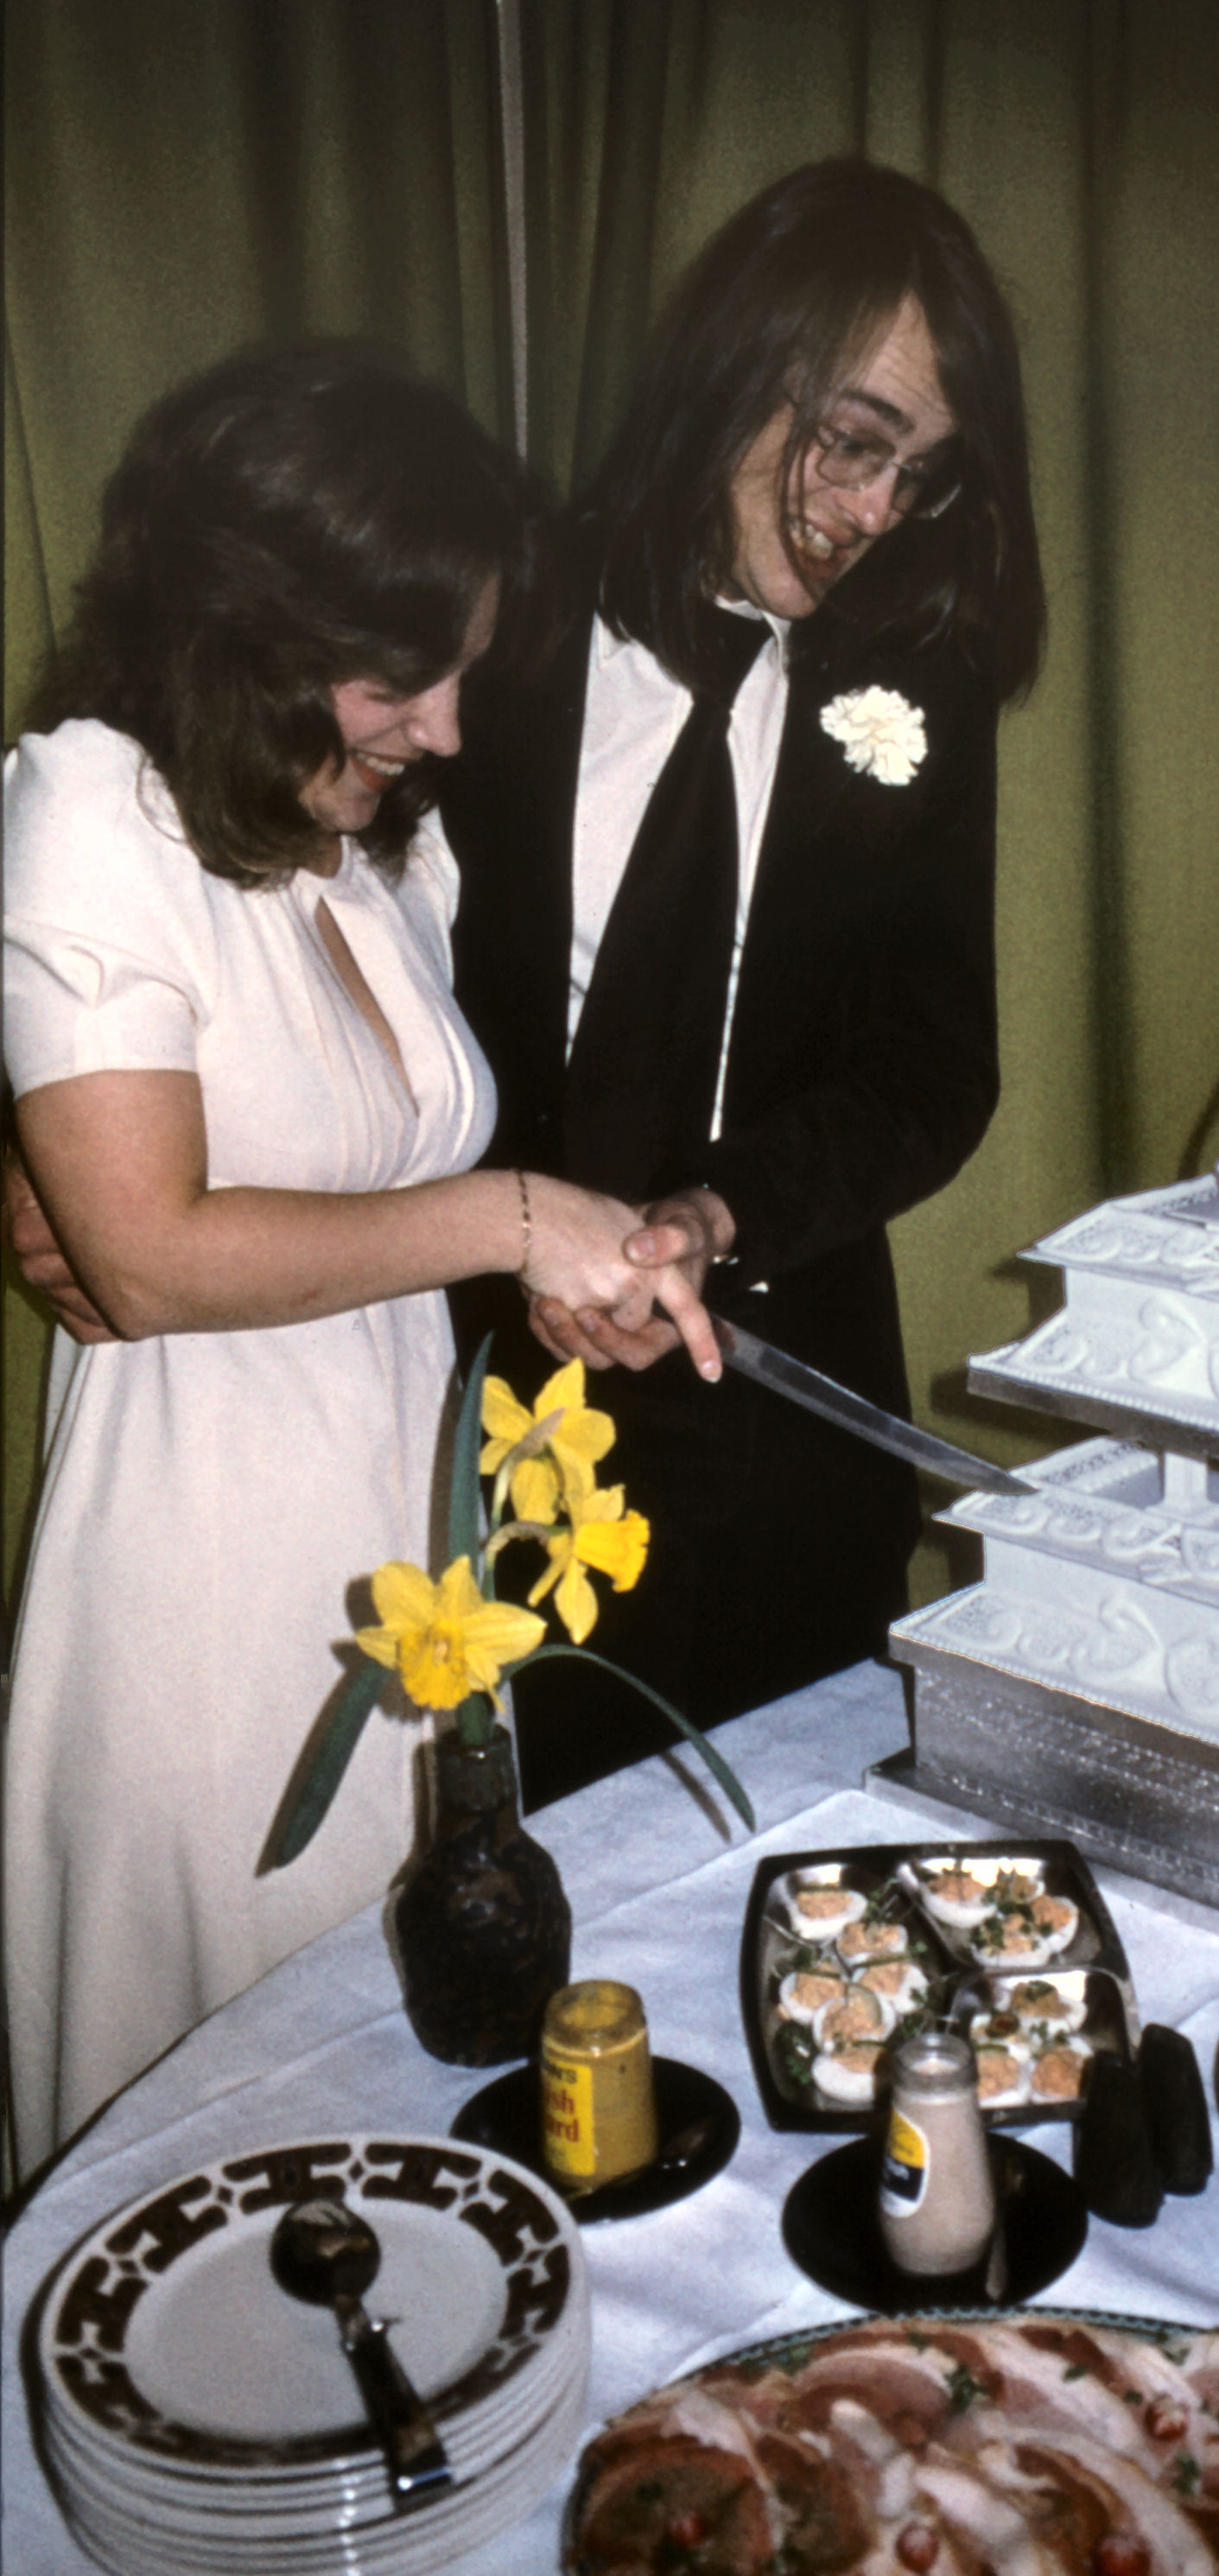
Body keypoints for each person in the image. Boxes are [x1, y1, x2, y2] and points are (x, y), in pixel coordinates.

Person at [0, 346, 721, 2178]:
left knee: (406, 2133)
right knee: (222, 2156)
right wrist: (503, 1214)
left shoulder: (373, 849)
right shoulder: (93, 804)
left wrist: (557, 1272)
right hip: (209, 1593)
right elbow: (149, 1258)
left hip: (408, 1587)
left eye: (463, 670)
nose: (453, 728)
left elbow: (363, 1205)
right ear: (253, 625)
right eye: (409, 674)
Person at [440, 160, 1044, 1803]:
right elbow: (305, 922)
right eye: (854, 439)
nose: (871, 512)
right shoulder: (502, 613)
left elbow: (931, 1064)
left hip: (788, 1430)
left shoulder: (922, 681)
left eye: (920, 475)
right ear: (739, 360)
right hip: (477, 1416)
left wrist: (716, 1213)